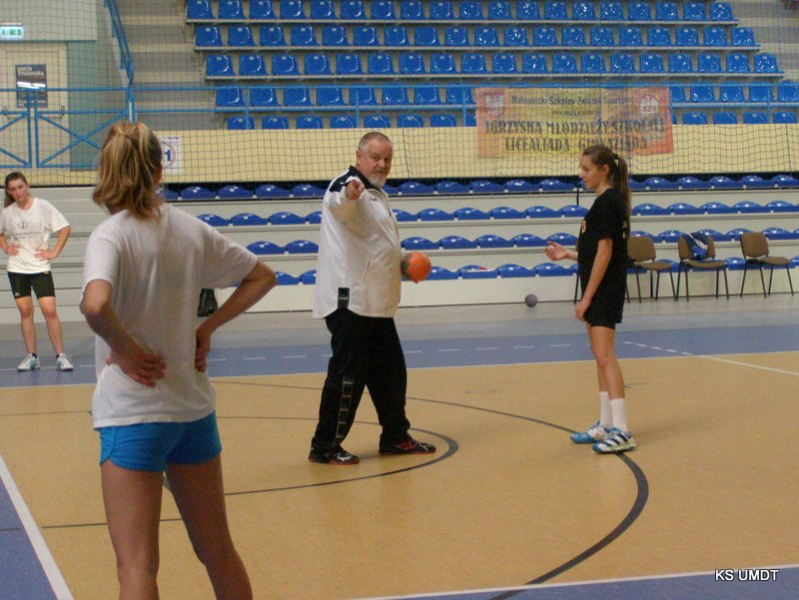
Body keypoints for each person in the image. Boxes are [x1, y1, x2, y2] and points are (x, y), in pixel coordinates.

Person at [81, 121, 276, 600]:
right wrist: (207, 328)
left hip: (134, 413)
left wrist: (126, 350)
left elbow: (95, 305)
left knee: (137, 567)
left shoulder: (110, 237)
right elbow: (262, 276)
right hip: (192, 411)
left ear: (106, 171)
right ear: (158, 169)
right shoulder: (190, 229)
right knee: (218, 551)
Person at [309, 131, 436, 465]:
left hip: (376, 305)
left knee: (391, 373)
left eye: (387, 159)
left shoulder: (379, 195)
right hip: (351, 303)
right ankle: (324, 446)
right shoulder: (347, 186)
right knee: (347, 377)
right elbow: (340, 202)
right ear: (359, 156)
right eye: (376, 157)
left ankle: (395, 436)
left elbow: (374, 246)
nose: (382, 164)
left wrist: (402, 262)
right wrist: (350, 193)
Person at [545, 144, 636, 454]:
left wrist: (586, 298)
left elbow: (606, 253)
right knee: (600, 357)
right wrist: (568, 254)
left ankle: (622, 429)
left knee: (605, 357)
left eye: (586, 169)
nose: (581, 174)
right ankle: (605, 423)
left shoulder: (608, 202)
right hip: (598, 290)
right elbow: (593, 251)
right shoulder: (604, 203)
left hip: (604, 291)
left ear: (604, 170)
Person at [0, 172, 73, 371]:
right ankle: (32, 356)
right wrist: (6, 247)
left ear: (27, 186)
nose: (18, 192)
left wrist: (54, 252)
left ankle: (61, 356)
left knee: (49, 310)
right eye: (13, 189)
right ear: (9, 192)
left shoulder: (43, 207)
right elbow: (1, 233)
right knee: (25, 312)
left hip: (40, 267)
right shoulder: (7, 213)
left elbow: (65, 228)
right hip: (17, 268)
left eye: (20, 187)